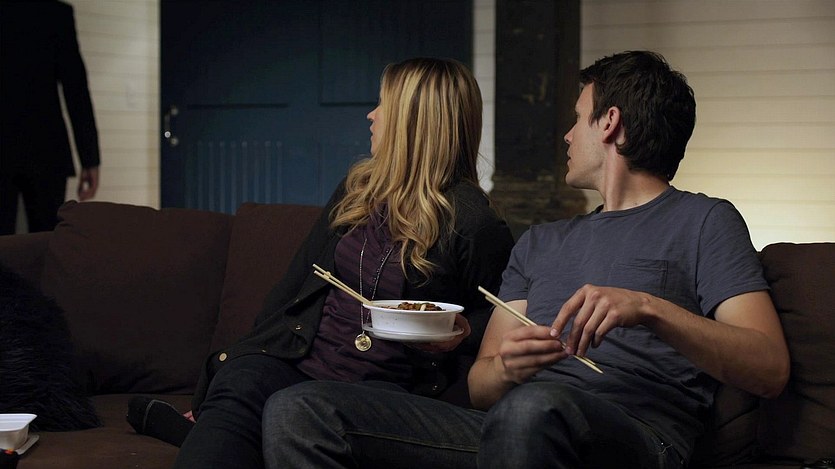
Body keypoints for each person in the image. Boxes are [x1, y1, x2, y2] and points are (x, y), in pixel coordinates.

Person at [261, 50, 791, 468]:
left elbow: (769, 368)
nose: (566, 135)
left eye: (577, 119)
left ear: (609, 122)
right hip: (512, 427)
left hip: (636, 434)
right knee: (301, 409)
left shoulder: (704, 221)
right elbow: (481, 388)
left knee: (535, 408)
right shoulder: (541, 242)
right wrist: (507, 369)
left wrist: (649, 308)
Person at [142, 57, 514, 469]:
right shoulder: (358, 190)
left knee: (284, 409)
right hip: (303, 361)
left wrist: (461, 331)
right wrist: (226, 380)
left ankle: (210, 433)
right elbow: (292, 289)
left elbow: (500, 317)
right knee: (242, 380)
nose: (371, 115)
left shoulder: (473, 221)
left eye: (383, 104)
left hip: (383, 388)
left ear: (414, 122)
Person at [0, 0, 101, 235]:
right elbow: (76, 89)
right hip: (45, 145)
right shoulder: (55, 15)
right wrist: (90, 158)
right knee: (45, 240)